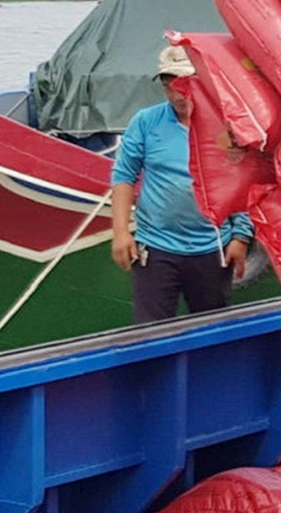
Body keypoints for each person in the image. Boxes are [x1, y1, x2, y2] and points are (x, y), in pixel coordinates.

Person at [110, 46, 257, 324]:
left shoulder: (229, 125)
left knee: (211, 330)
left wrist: (240, 237)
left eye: (186, 83)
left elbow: (243, 181)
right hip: (156, 247)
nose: (178, 93)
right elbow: (123, 175)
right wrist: (120, 233)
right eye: (170, 84)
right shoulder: (146, 122)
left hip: (212, 247)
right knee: (148, 333)